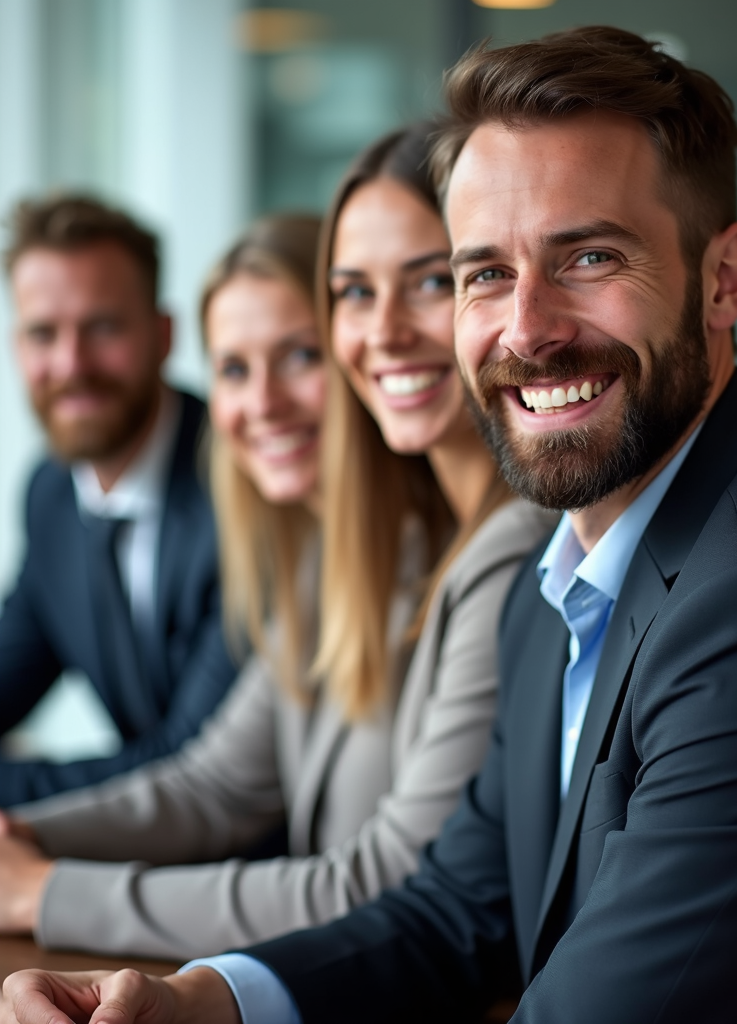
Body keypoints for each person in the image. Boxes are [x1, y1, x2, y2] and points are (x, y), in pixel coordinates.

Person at [4, 25, 737, 1024]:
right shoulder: (560, 578)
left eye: (588, 256)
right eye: (484, 272)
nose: (527, 328)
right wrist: (199, 1001)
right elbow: (459, 907)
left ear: (725, 279)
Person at [0, 138, 554, 962]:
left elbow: (389, 881)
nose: (263, 403)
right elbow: (217, 782)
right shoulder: (350, 554)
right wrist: (20, 840)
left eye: (297, 357)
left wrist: (45, 891)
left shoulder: (507, 549)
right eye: (232, 368)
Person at [0, 195, 238, 806]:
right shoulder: (50, 491)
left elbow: (188, 761)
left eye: (102, 327)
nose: (70, 363)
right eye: (42, 334)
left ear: (163, 336)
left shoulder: (240, 490)